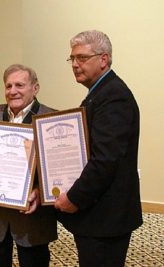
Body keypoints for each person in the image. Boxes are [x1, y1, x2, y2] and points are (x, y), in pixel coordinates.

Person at [55, 30, 142, 267]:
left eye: (82, 58)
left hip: (106, 218)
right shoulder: (100, 93)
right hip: (101, 215)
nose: (74, 64)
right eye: (72, 58)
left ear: (103, 59)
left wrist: (74, 198)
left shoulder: (113, 97)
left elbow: (105, 160)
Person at [0, 64, 57, 267]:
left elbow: (54, 169)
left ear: (35, 88)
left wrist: (39, 190)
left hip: (32, 217)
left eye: (20, 85)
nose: (13, 91)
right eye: (8, 86)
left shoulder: (50, 118)